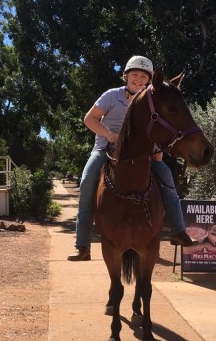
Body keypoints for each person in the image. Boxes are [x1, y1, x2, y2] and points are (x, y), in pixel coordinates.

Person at [68, 55, 195, 261]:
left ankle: (178, 231)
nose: (138, 79)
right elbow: (89, 119)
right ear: (126, 76)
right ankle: (82, 245)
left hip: (142, 152)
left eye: (143, 76)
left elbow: (157, 127)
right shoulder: (111, 95)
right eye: (134, 74)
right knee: (87, 182)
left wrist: (157, 148)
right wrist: (109, 134)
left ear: (149, 80)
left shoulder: (151, 99)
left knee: (167, 179)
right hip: (106, 148)